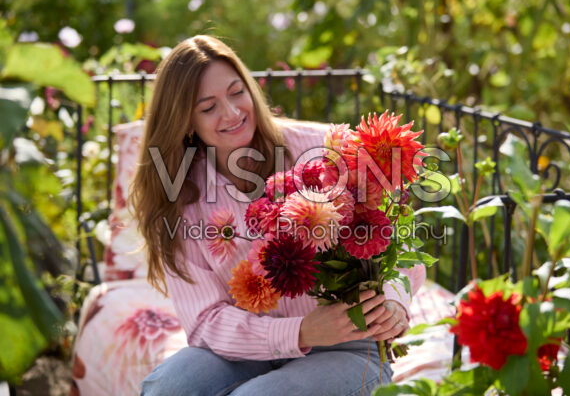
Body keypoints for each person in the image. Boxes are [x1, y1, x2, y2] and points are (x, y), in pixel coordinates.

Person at [130, 35, 425, 396]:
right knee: (166, 389)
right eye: (208, 107)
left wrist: (394, 301)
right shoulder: (182, 195)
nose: (232, 113)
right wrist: (298, 332)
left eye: (237, 92)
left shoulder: (322, 150)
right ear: (185, 121)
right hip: (250, 347)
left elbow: (399, 241)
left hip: (349, 342)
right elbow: (205, 322)